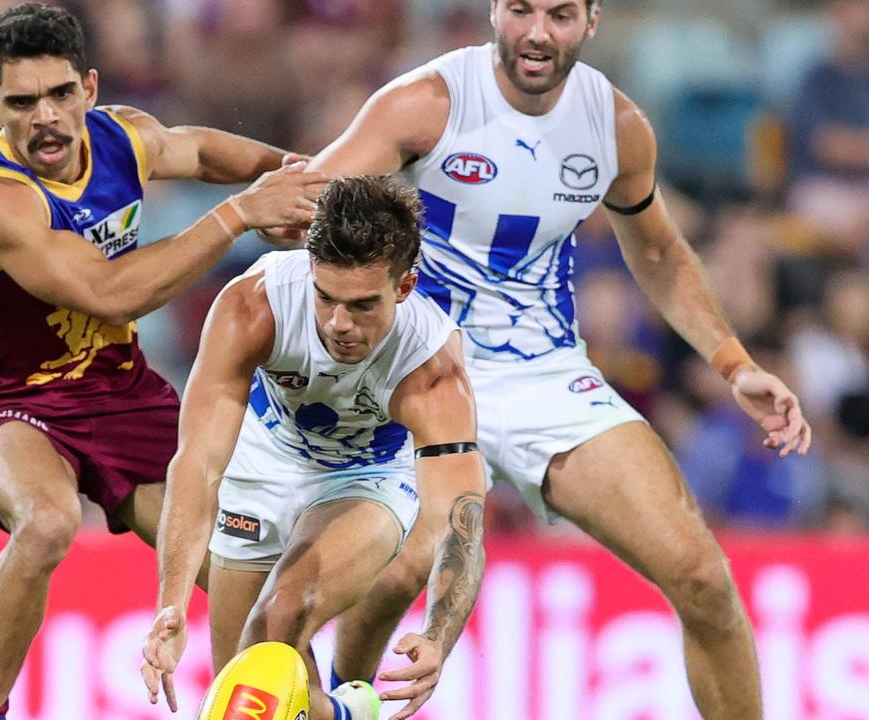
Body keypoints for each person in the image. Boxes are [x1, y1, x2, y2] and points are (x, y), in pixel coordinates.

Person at [306, 2, 813, 718]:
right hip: (416, 370)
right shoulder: (426, 104)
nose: (538, 32)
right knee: (401, 571)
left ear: (592, 21)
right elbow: (305, 213)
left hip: (542, 372)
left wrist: (734, 363)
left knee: (701, 574)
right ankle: (340, 708)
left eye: (561, 13)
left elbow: (661, 252)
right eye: (521, 9)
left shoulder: (616, 126)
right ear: (494, 11)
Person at [0, 5, 327, 720]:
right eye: (22, 103)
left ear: (88, 87)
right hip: (13, 408)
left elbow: (200, 152)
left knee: (245, 569)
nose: (46, 118)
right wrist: (242, 212)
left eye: (60, 95)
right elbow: (109, 294)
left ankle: (314, 706)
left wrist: (300, 177)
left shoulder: (123, 136)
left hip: (121, 395)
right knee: (49, 522)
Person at [139, 176, 487, 720]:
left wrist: (439, 635)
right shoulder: (253, 307)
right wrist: (173, 602)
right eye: (325, 297)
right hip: (263, 459)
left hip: (369, 473)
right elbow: (200, 462)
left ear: (404, 286)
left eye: (362, 305)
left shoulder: (432, 371)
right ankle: (345, 713)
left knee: (278, 619)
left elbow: (459, 520)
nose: (338, 323)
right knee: (241, 688)